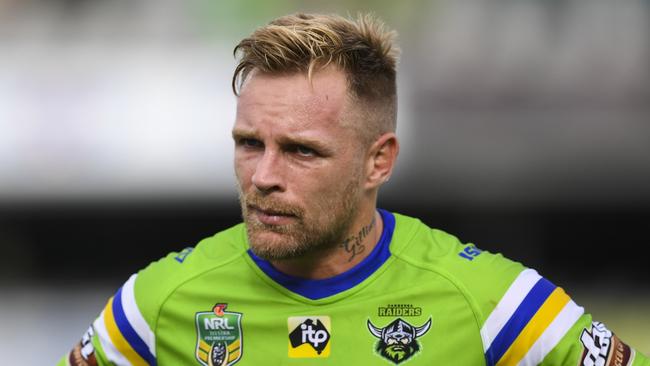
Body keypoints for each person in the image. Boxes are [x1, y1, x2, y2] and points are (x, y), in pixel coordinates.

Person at [59, 13, 648, 366]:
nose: (263, 176)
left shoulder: (494, 303)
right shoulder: (154, 305)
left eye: (302, 150)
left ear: (378, 161)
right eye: (248, 144)